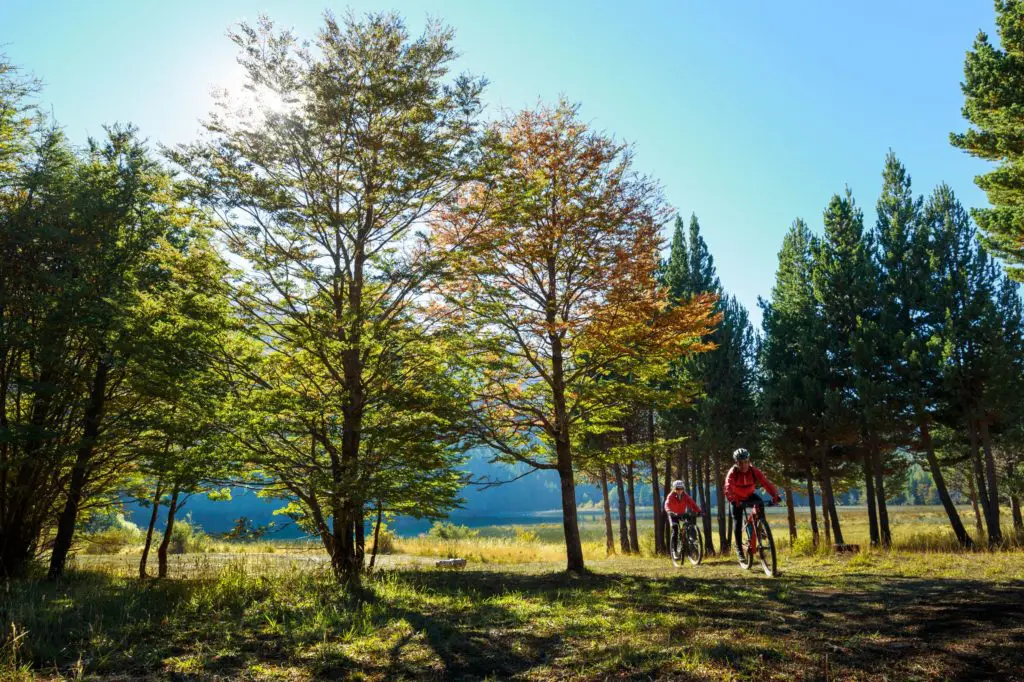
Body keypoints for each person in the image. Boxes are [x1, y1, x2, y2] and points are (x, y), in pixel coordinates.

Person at [724, 448, 781, 561]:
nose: (744, 465)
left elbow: (765, 482)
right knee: (737, 522)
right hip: (737, 499)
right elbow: (728, 487)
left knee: (760, 503)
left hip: (749, 495)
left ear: (749, 460)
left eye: (746, 461)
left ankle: (761, 526)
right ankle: (739, 549)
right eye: (741, 462)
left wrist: (775, 495)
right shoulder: (733, 473)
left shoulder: (753, 471)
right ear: (736, 462)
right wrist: (733, 500)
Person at [664, 480, 702, 560]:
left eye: (681, 488)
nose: (679, 490)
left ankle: (690, 537)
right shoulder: (670, 496)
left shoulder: (685, 496)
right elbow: (667, 504)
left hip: (681, 513)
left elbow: (692, 503)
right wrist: (669, 511)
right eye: (677, 488)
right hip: (673, 514)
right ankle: (674, 551)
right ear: (674, 489)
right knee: (675, 529)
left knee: (689, 523)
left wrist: (698, 511)